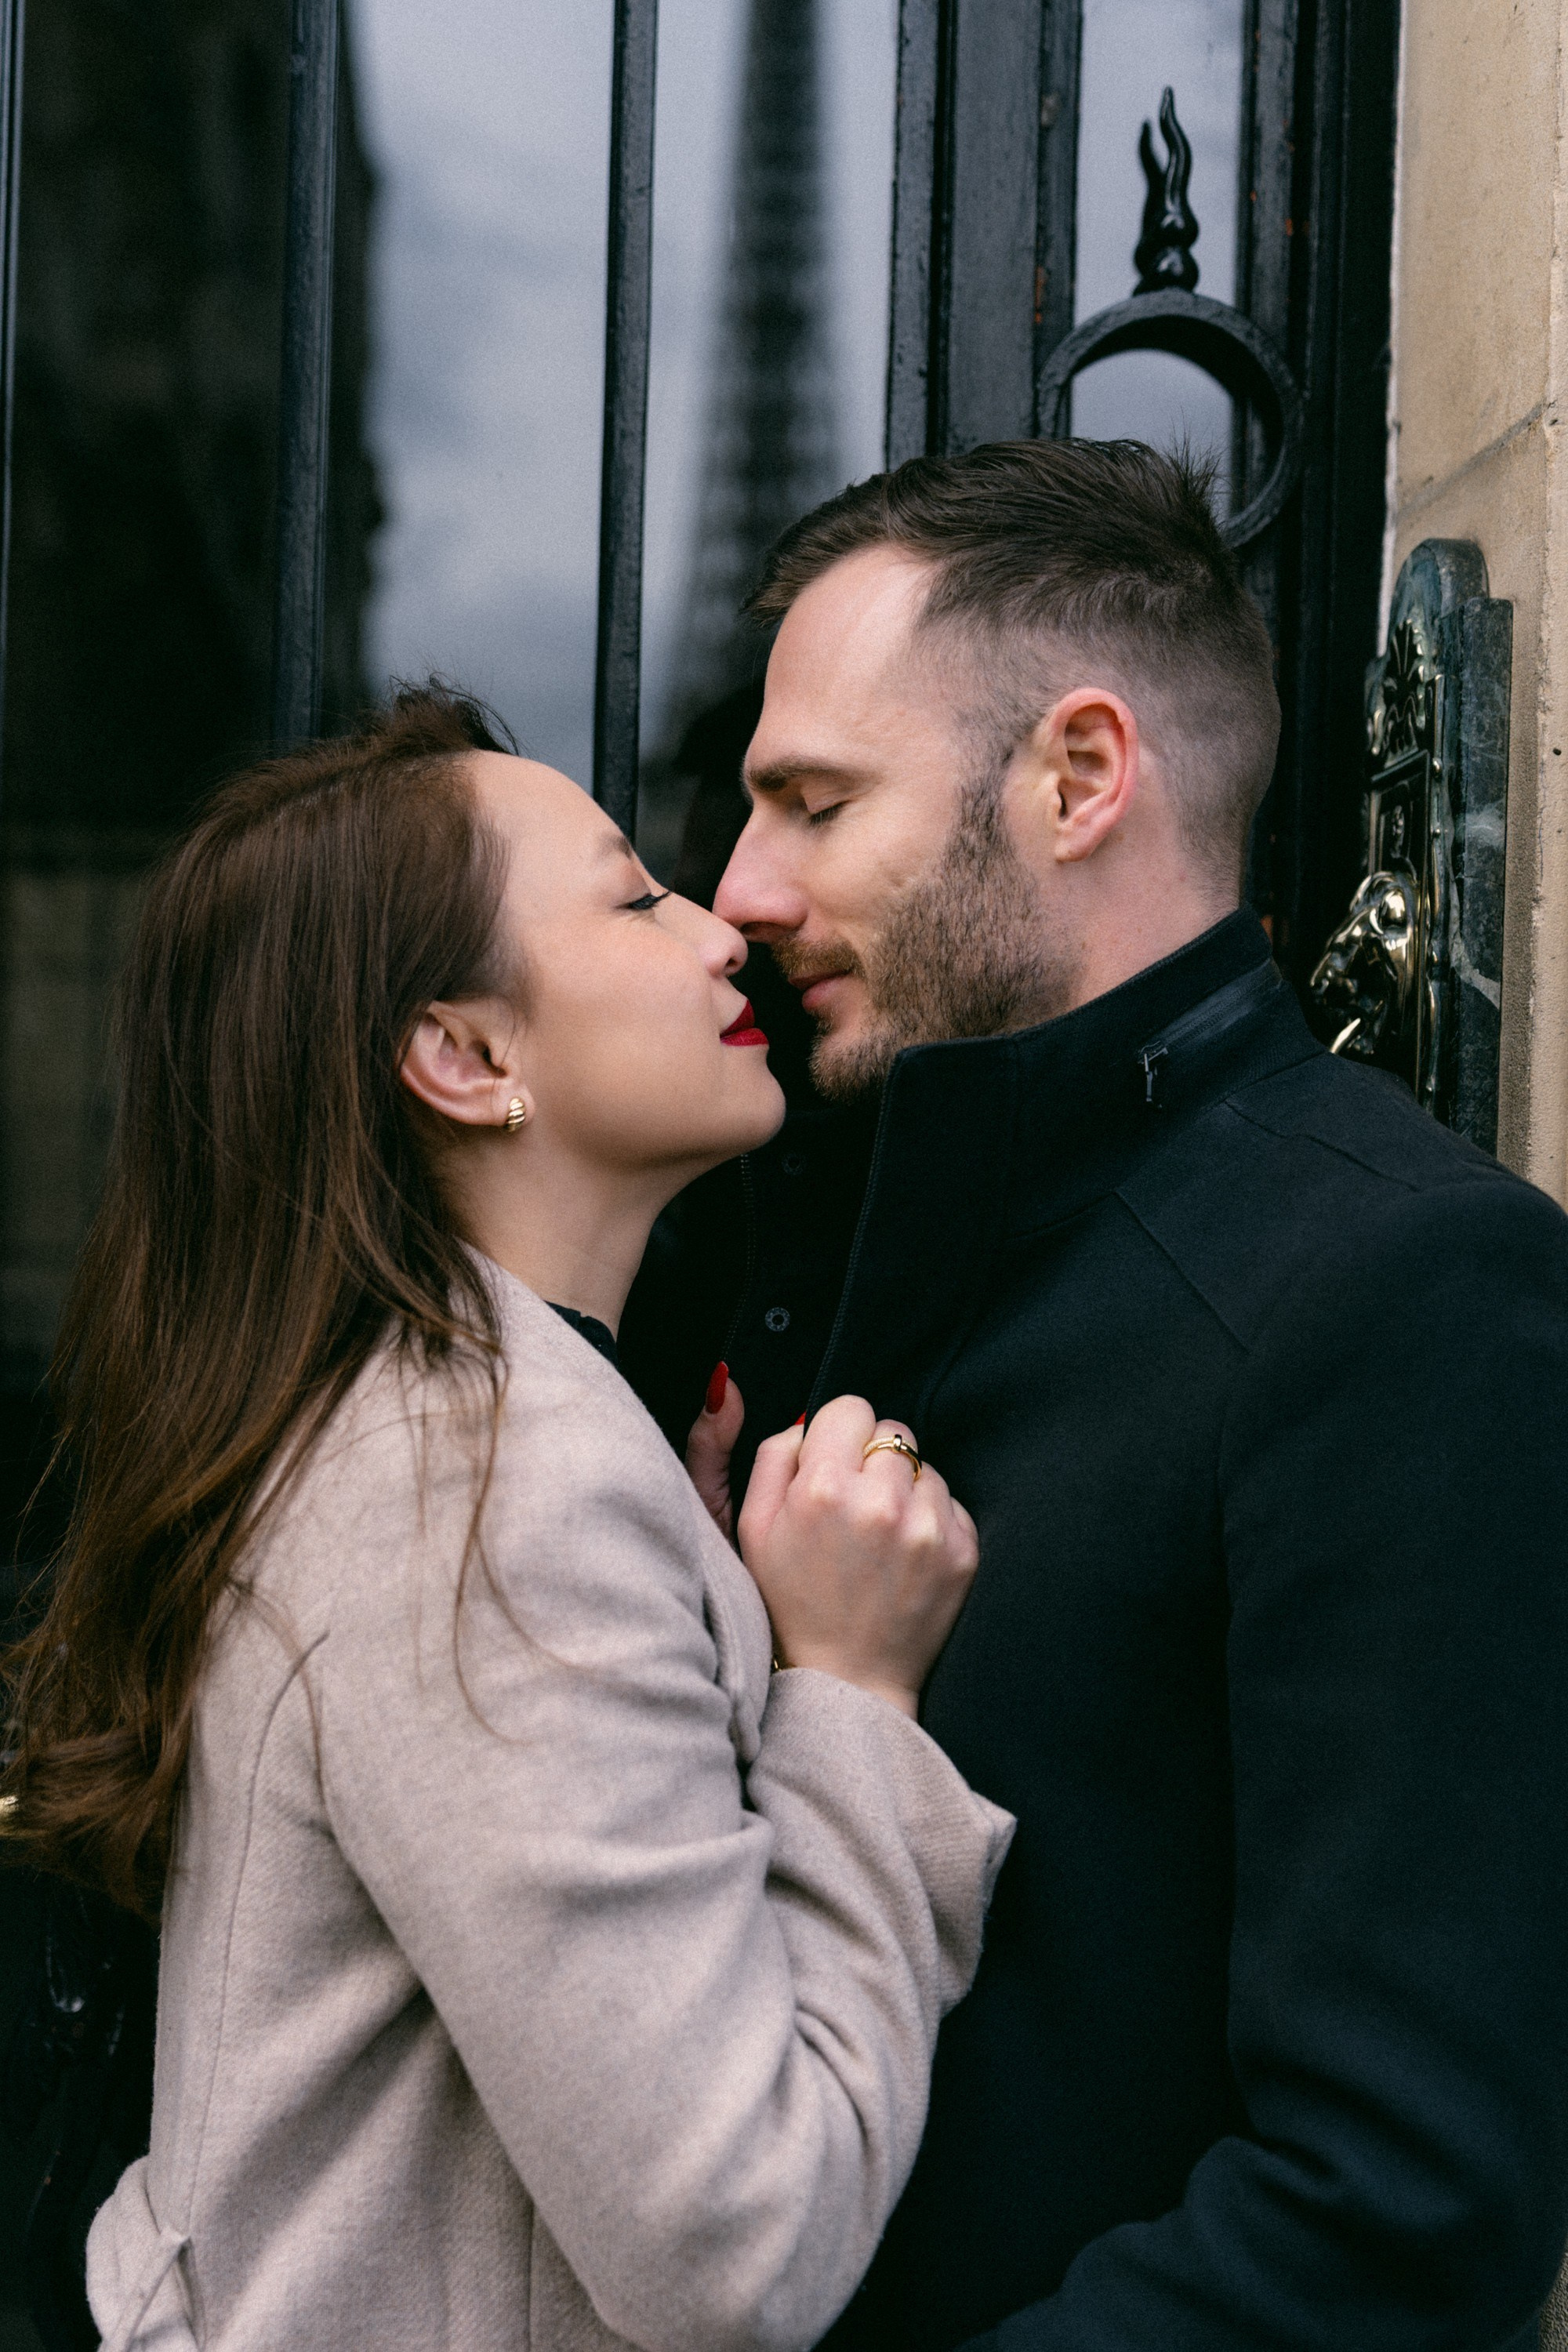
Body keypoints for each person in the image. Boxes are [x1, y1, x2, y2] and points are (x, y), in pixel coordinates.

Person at [623, 440, 1568, 2350]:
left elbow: (1395, 2204)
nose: (741, 892)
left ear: (1078, 775)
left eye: (813, 801)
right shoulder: (834, 1229)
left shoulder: (1407, 1290)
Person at [0, 685, 1014, 2352]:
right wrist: (847, 1694)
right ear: (463, 1058)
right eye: (634, 897)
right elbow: (737, 2248)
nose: (721, 930)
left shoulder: (432, 1428)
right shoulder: (486, 1483)